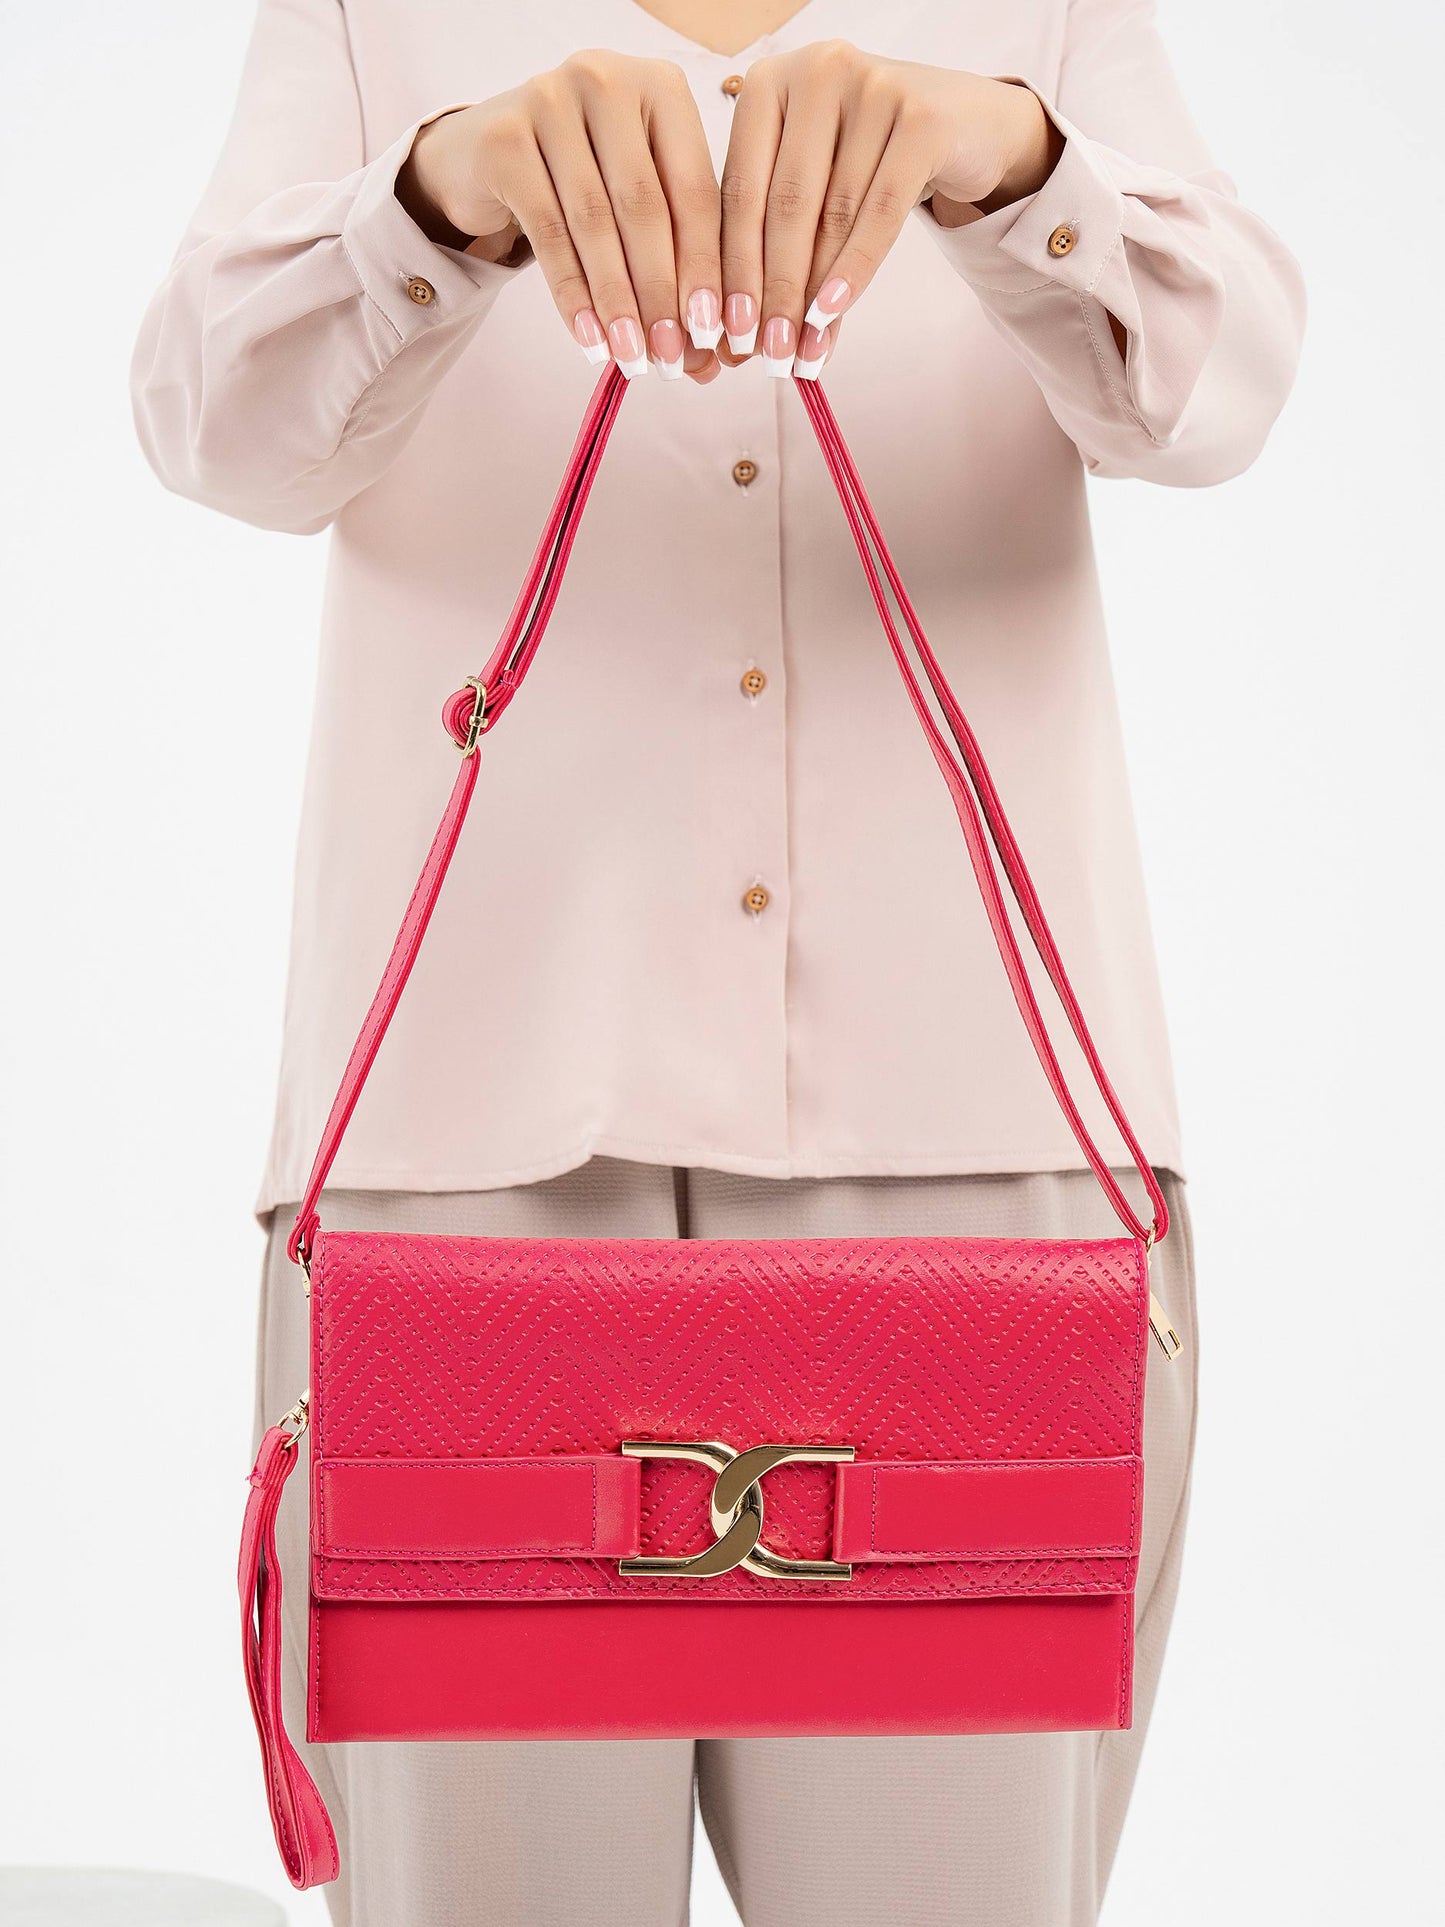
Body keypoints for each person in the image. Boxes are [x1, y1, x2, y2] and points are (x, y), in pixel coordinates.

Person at [131, 3, 1303, 1922]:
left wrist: (1014, 162)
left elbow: (1220, 389)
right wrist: (429, 200)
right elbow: (214, 430)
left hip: (975, 1153)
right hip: (466, 1159)